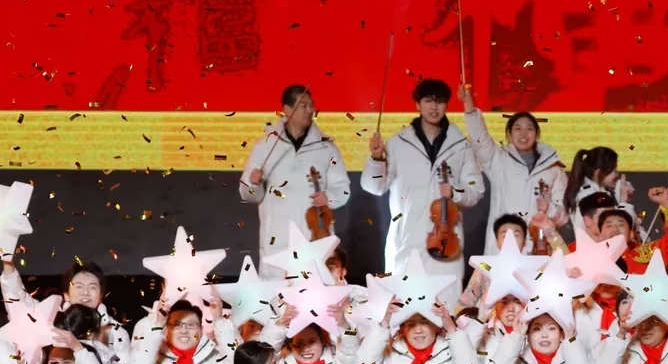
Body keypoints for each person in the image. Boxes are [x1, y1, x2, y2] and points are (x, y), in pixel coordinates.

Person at [361, 78, 481, 301]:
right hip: (406, 240)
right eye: (428, 101)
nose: (434, 107)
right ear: (417, 104)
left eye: (440, 101)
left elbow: (476, 189)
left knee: (445, 310)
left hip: (446, 244)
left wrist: (455, 192)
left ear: (447, 105)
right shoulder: (398, 143)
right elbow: (374, 187)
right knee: (403, 313)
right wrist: (376, 158)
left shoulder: (460, 144)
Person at [239, 83, 351, 258]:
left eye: (311, 105)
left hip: (315, 241)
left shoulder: (327, 148)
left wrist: (329, 197)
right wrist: (254, 184)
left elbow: (343, 189)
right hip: (277, 243)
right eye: (303, 106)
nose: (310, 110)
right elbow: (248, 194)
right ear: (287, 109)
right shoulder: (265, 146)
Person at [461, 84, 569, 252]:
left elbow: (563, 217)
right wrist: (469, 107)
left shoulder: (553, 168)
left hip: (538, 249)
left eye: (529, 129)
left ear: (537, 134)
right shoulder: (497, 160)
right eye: (517, 129)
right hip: (502, 246)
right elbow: (479, 138)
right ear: (509, 135)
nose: (523, 134)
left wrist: (549, 208)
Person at [563, 146, 634, 226]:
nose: (617, 174)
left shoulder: (600, 191)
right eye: (614, 170)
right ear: (598, 173)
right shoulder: (589, 197)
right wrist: (623, 202)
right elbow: (615, 228)